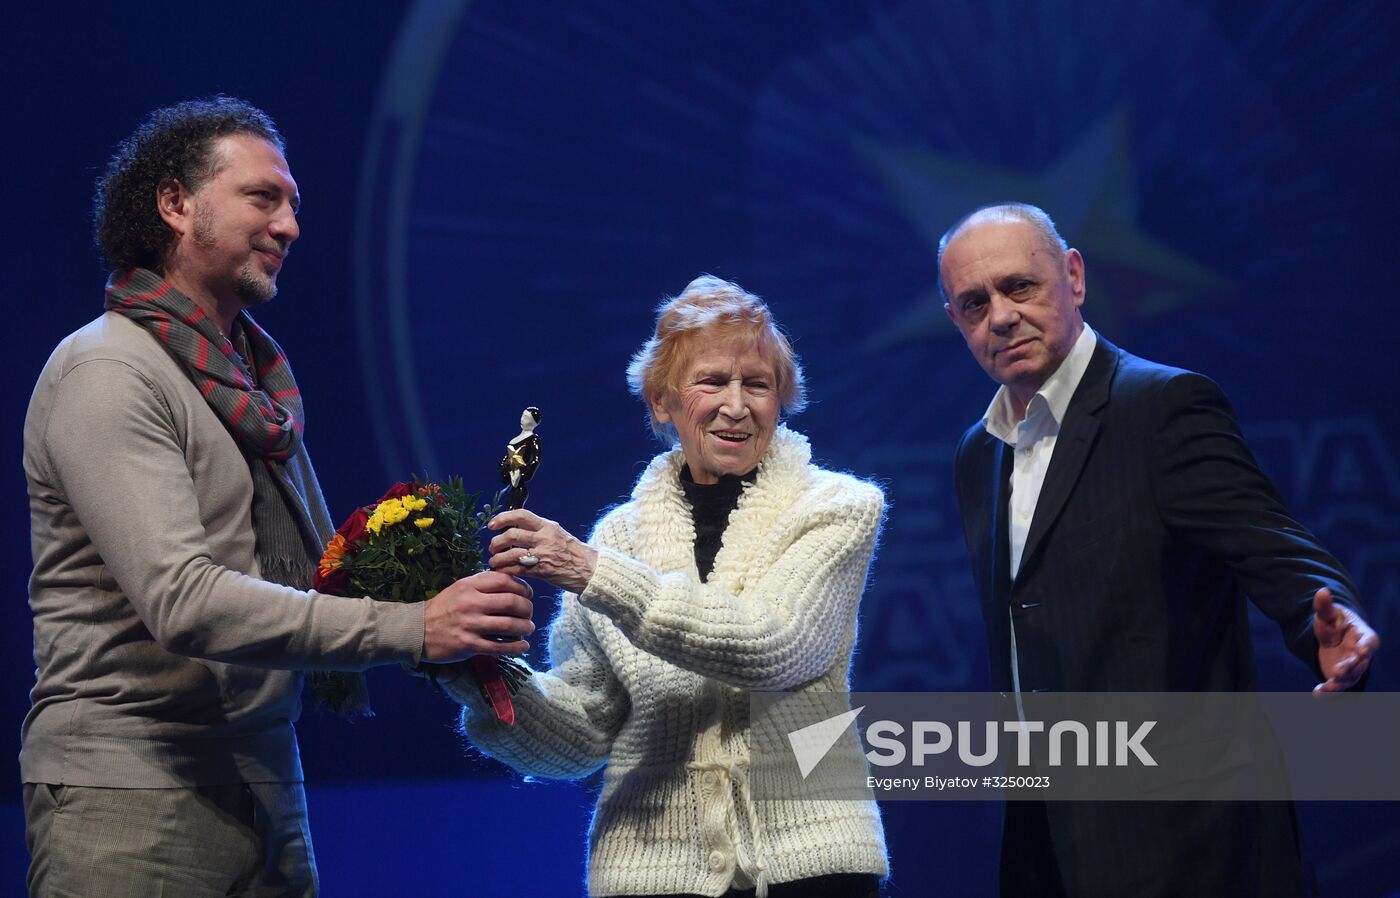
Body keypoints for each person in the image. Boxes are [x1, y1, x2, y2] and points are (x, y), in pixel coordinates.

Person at [20, 96, 535, 897]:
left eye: (293, 204)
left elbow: (316, 582)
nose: (289, 225)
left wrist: (456, 618)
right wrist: (410, 627)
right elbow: (184, 602)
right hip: (132, 794)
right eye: (263, 198)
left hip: (267, 780)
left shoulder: (254, 383)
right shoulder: (107, 373)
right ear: (175, 203)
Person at [939, 202, 1379, 897]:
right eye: (973, 302)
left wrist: (1323, 620)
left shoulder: (1162, 407)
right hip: (1049, 842)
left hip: (1188, 836)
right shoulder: (978, 455)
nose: (999, 315)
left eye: (1019, 286)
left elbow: (1274, 545)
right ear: (957, 321)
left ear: (1073, 277)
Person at [435, 276, 889, 897]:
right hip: (651, 872)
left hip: (810, 868)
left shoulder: (838, 506)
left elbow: (777, 646)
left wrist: (591, 572)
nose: (736, 405)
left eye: (757, 384)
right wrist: (473, 671)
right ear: (661, 401)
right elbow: (584, 734)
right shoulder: (617, 538)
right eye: (712, 382)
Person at [498, 406, 542, 510]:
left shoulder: (533, 439)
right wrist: (507, 471)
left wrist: (522, 474)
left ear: (534, 423)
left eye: (526, 417)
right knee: (507, 512)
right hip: (512, 484)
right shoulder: (514, 440)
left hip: (519, 486)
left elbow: (535, 460)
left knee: (512, 511)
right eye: (523, 415)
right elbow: (505, 460)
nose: (522, 419)